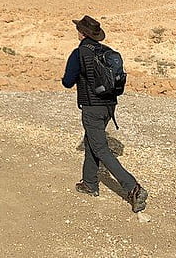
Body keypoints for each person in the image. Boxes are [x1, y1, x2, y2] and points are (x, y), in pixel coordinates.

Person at [62, 15, 148, 213]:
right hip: (109, 105)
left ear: (81, 33)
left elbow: (68, 81)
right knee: (92, 141)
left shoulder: (79, 53)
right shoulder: (107, 51)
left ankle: (133, 188)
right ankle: (89, 183)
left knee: (100, 148)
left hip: (92, 106)